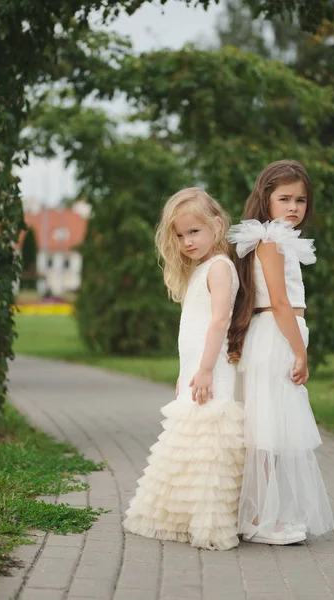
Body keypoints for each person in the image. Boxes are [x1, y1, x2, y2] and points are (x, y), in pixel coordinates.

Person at [123, 187, 244, 550]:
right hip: (196, 366)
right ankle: (183, 516)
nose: (186, 241)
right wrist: (185, 370)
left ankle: (212, 522)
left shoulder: (221, 267)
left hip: (213, 366)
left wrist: (206, 369)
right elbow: (192, 326)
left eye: (194, 231)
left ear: (217, 226)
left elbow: (219, 320)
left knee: (209, 442)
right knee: (190, 441)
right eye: (179, 235)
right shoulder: (200, 269)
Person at [227, 160, 334, 545]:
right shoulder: (270, 243)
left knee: (271, 430)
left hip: (278, 332)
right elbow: (279, 301)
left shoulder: (277, 241)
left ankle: (261, 513)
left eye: (301, 200)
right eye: (284, 198)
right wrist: (300, 352)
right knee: (269, 433)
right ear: (265, 199)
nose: (293, 207)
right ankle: (260, 519)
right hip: (277, 334)